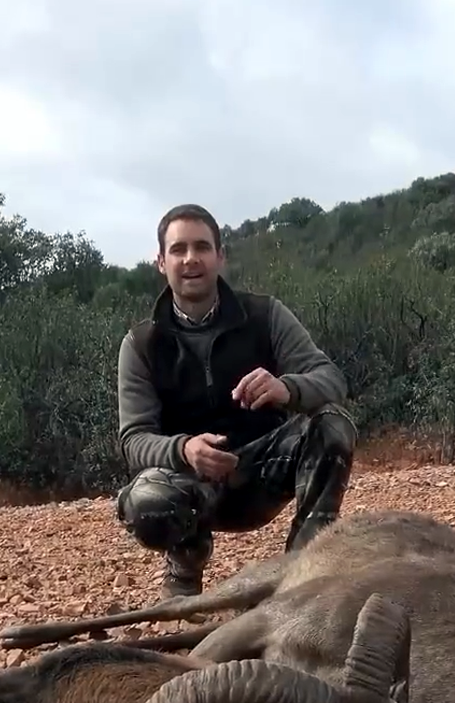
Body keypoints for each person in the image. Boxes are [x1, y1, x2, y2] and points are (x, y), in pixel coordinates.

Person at [114, 202, 356, 599]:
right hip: (191, 485)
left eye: (202, 247)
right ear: (161, 262)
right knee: (145, 499)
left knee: (332, 423)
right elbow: (134, 441)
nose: (191, 259)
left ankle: (303, 574)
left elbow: (332, 381)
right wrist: (185, 449)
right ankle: (185, 565)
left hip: (263, 470)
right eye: (178, 250)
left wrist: (287, 388)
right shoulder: (141, 344)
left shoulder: (266, 315)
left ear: (220, 256)